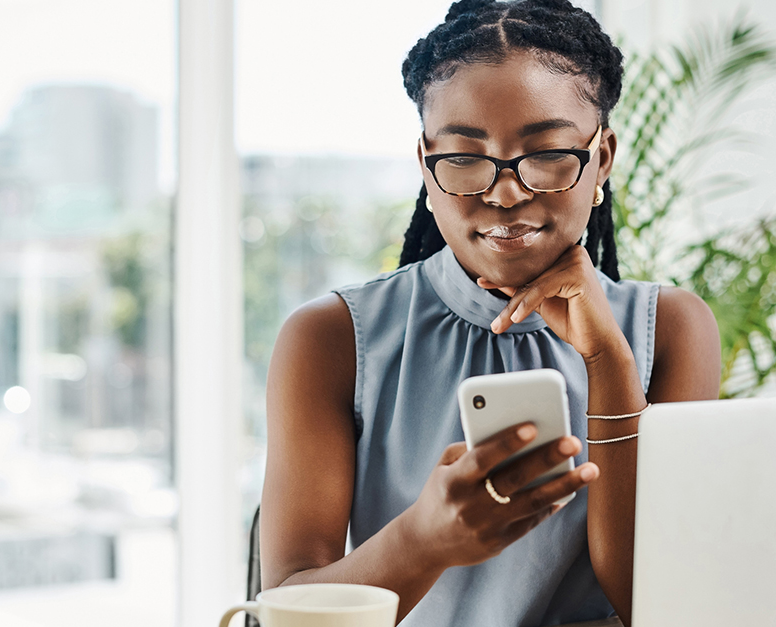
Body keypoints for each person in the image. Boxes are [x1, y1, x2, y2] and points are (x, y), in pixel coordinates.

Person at [260, 1, 721, 625]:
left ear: (602, 158)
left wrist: (608, 360)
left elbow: (661, 605)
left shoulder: (669, 328)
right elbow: (290, 610)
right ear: (427, 165)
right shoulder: (331, 338)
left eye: (548, 152)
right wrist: (421, 541)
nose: (505, 192)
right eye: (464, 156)